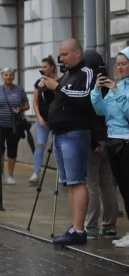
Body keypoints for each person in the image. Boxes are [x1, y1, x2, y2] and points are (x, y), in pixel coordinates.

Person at [45, 39, 96, 246]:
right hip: (60, 133)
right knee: (68, 183)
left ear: (78, 53)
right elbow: (62, 99)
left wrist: (57, 87)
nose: (61, 59)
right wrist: (50, 91)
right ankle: (74, 226)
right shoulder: (67, 74)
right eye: (60, 55)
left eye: (65, 54)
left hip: (75, 133)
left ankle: (79, 229)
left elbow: (84, 96)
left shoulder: (86, 73)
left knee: (77, 181)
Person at [91, 47, 129, 246]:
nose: (120, 67)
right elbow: (101, 110)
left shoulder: (122, 88)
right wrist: (97, 90)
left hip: (126, 142)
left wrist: (116, 91)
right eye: (118, 64)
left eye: (124, 63)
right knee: (122, 188)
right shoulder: (119, 85)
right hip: (113, 141)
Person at [82, 51, 120, 239]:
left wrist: (93, 141)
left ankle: (90, 225)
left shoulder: (89, 87)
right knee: (107, 184)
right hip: (111, 140)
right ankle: (109, 224)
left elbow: (89, 117)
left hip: (94, 141)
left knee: (92, 185)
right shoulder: (111, 85)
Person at [0, 68, 30, 185]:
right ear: (2, 76)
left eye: (11, 75)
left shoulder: (19, 90)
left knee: (12, 150)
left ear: (14, 77)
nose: (8, 77)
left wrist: (20, 108)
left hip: (13, 125)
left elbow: (27, 105)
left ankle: (10, 175)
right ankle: (0, 174)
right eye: (6, 75)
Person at [32, 55, 60, 184]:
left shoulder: (59, 81)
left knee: (58, 147)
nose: (43, 69)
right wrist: (38, 117)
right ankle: (36, 173)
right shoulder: (39, 82)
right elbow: (35, 102)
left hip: (57, 119)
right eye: (41, 67)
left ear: (52, 67)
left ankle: (61, 174)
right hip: (42, 119)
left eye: (45, 67)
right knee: (40, 144)